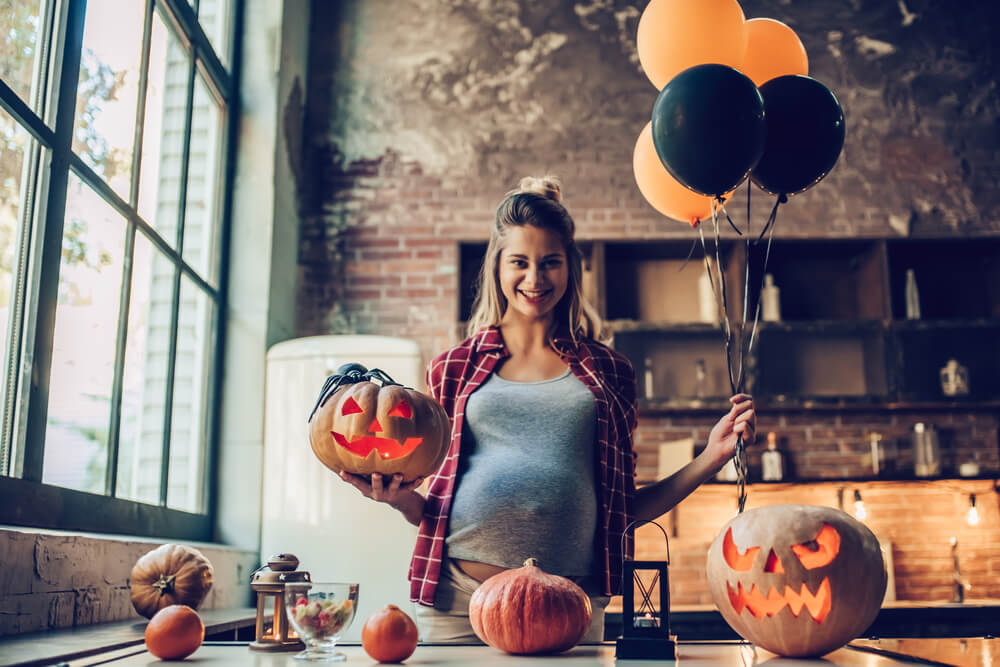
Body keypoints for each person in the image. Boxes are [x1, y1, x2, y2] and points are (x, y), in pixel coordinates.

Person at [339, 175, 755, 642]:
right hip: (457, 602)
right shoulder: (452, 368)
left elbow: (624, 507)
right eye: (519, 262)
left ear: (570, 269)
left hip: (569, 606)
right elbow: (430, 507)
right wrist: (396, 497)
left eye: (550, 263)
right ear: (498, 267)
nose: (534, 279)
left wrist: (711, 459)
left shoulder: (609, 371)